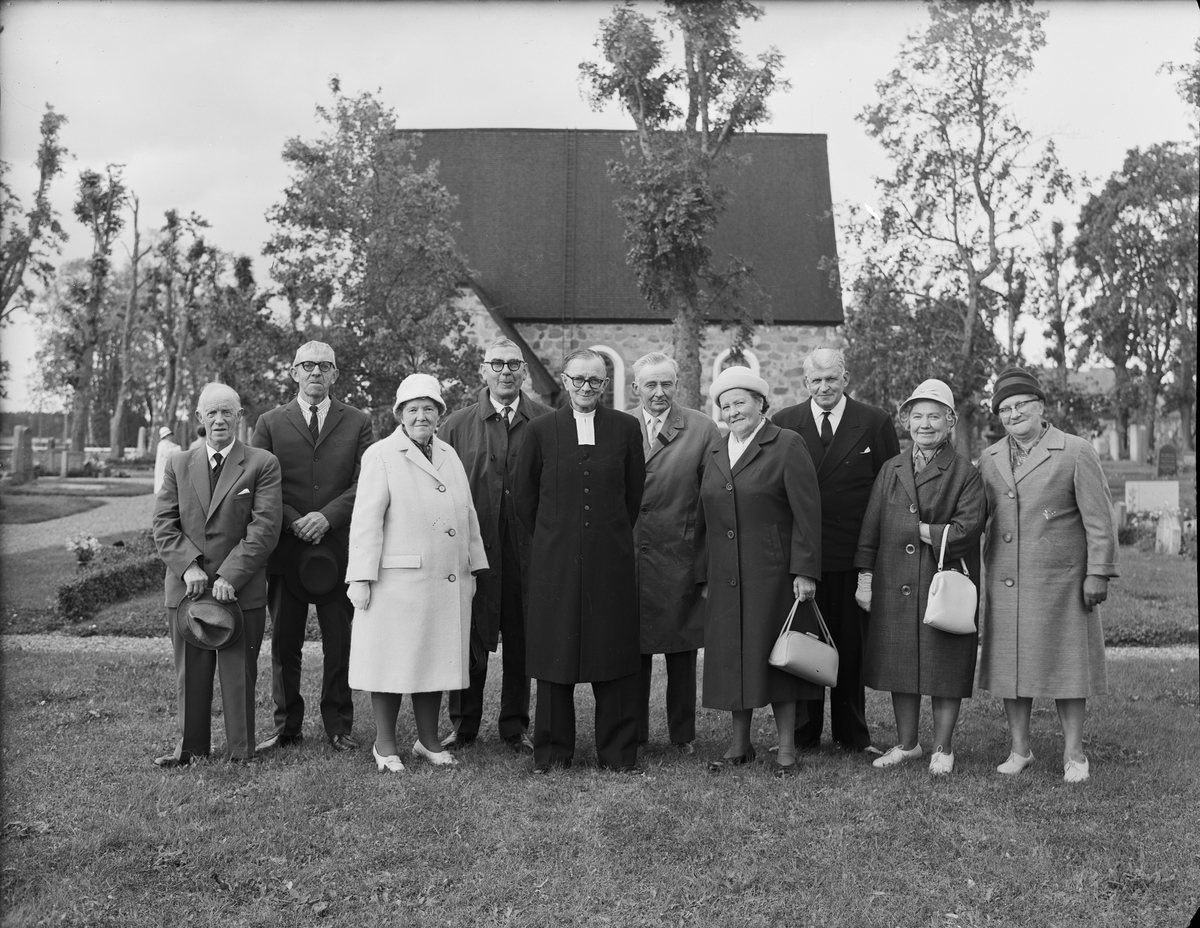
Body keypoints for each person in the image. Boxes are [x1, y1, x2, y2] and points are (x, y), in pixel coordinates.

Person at [977, 367, 1118, 783]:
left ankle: (1074, 753)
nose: (1013, 413)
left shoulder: (1075, 451)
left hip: (1061, 581)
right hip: (1005, 579)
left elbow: (1100, 520)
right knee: (1010, 667)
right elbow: (978, 516)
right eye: (1004, 408)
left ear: (1041, 406)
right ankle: (1020, 749)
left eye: (1021, 404)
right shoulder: (989, 457)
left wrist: (1099, 574)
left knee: (1068, 665)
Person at [345, 374, 487, 773]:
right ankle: (385, 745)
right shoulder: (381, 454)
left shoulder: (449, 454)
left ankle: (428, 741)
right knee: (390, 663)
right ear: (399, 415)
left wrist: (473, 565)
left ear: (440, 414)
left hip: (445, 578)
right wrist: (360, 577)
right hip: (396, 582)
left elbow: (467, 514)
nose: (421, 416)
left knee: (434, 661)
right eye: (413, 409)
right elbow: (366, 521)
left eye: (429, 408)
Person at [514, 348, 646, 774]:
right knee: (555, 656)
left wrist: (604, 537)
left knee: (615, 655)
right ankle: (553, 754)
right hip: (555, 562)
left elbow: (633, 496)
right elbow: (525, 499)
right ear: (565, 380)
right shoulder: (540, 430)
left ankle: (618, 754)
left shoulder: (626, 428)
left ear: (605, 385)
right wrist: (558, 538)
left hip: (612, 561)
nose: (586, 388)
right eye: (579, 380)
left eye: (595, 381)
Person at [853, 380, 985, 776]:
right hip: (893, 581)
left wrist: (922, 531)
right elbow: (871, 526)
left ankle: (943, 749)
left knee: (945, 666)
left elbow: (966, 530)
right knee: (900, 664)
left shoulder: (965, 472)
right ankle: (908, 744)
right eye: (917, 416)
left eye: (934, 416)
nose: (924, 424)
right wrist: (865, 576)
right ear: (906, 420)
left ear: (950, 421)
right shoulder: (892, 467)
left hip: (940, 584)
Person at [696, 366, 822, 775]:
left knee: (777, 658)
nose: (733, 411)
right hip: (726, 575)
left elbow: (807, 513)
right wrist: (704, 574)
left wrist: (805, 571)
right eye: (726, 405)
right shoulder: (716, 449)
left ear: (760, 403)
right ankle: (740, 745)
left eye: (741, 402)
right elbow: (704, 517)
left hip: (774, 574)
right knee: (735, 657)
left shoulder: (786, 443)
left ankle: (786, 749)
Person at [773, 347, 900, 753]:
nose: (824, 387)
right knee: (806, 639)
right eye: (816, 380)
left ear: (845, 378)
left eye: (831, 378)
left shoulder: (875, 421)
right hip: (803, 554)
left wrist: (875, 557)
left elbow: (889, 489)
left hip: (854, 553)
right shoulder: (784, 422)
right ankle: (804, 733)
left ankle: (852, 733)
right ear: (804, 382)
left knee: (850, 645)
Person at [251, 341, 374, 755]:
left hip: (338, 548)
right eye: (308, 366)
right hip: (287, 547)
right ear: (294, 372)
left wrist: (328, 517)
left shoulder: (359, 422)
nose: (316, 372)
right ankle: (287, 727)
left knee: (340, 642)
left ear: (336, 374)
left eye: (325, 366)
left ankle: (339, 726)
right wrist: (294, 519)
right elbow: (261, 483)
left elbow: (366, 483)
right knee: (285, 643)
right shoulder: (269, 422)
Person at [151, 383, 283, 766]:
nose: (220, 420)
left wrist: (231, 575)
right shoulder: (178, 463)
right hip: (186, 591)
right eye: (212, 412)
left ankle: (242, 751)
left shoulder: (262, 463)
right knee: (190, 675)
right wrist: (188, 565)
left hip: (239, 590)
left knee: (239, 672)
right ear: (199, 418)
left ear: (240, 417)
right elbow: (163, 522)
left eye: (228, 412)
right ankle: (190, 750)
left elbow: (265, 527)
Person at [438, 338, 552, 753]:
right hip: (474, 550)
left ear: (524, 372)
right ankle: (463, 724)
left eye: (513, 365)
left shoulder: (546, 420)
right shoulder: (455, 425)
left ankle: (514, 725)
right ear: (482, 371)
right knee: (469, 635)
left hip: (528, 549)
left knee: (522, 637)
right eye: (497, 364)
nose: (505, 372)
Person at [629, 351, 722, 754]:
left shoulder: (702, 429)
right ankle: (634, 732)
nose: (659, 392)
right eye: (650, 384)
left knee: (681, 652)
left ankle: (682, 735)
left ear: (677, 386)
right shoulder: (619, 425)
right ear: (636, 389)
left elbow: (714, 500)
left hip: (680, 556)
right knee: (632, 651)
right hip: (630, 557)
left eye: (667, 383)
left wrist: (705, 565)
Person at [153, 426, 182, 495]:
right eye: (169, 435)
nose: (171, 437)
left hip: (166, 466)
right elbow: (168, 453)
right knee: (163, 480)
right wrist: (178, 448)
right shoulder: (163, 444)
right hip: (163, 466)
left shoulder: (165, 444)